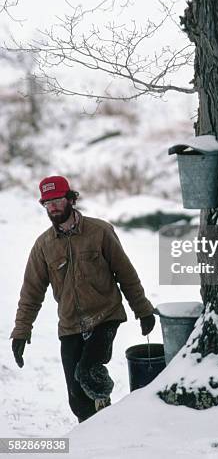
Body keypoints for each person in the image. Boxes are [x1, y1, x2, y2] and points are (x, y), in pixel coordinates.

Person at [10, 175, 156, 423]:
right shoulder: (43, 246)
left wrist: (142, 310)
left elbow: (125, 273)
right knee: (76, 398)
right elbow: (31, 292)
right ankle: (91, 435)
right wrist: (21, 331)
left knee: (87, 371)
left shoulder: (99, 232)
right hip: (69, 324)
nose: (53, 207)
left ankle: (107, 412)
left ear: (70, 199)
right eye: (47, 203)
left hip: (105, 316)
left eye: (57, 200)